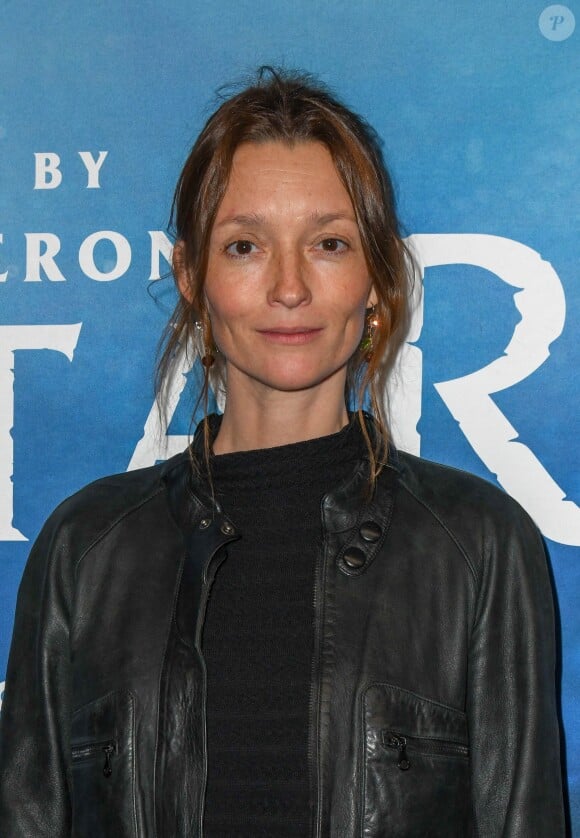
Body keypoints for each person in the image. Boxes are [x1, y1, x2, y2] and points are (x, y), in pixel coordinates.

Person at [0, 68, 565, 837]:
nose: (290, 286)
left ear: (375, 278)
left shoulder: (478, 546)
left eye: (329, 243)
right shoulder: (85, 550)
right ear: (192, 276)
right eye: (245, 246)